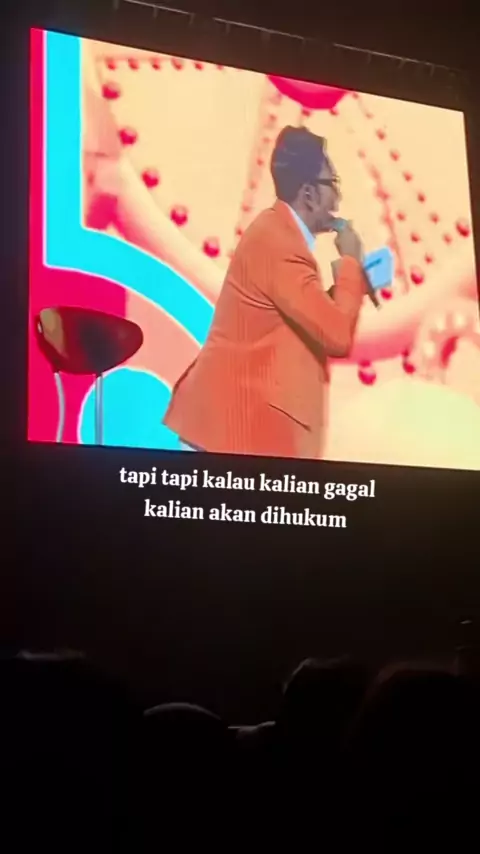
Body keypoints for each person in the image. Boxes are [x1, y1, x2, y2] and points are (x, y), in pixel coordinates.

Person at [164, 125, 369, 458]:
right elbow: (336, 335)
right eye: (333, 183)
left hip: (236, 432)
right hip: (228, 434)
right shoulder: (280, 243)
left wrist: (349, 286)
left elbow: (300, 319)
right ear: (309, 194)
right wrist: (350, 262)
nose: (339, 198)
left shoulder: (278, 233)